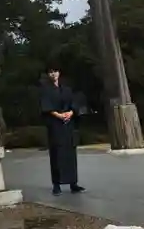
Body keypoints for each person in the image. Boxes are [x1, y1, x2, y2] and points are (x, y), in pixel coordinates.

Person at [40, 63, 85, 196]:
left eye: (55, 71)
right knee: (56, 154)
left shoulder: (66, 89)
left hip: (68, 124)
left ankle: (73, 183)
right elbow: (46, 107)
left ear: (59, 73)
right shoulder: (45, 90)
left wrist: (71, 113)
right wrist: (59, 115)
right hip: (55, 125)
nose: (53, 74)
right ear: (48, 75)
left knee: (70, 154)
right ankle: (56, 185)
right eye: (51, 72)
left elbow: (74, 103)